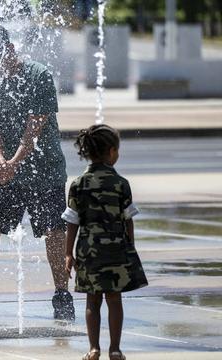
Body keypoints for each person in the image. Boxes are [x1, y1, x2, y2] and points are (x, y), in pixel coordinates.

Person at [0, 23, 75, 321]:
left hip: (45, 170)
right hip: (3, 170)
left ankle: (62, 295)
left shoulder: (39, 75)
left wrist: (15, 161)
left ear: (9, 49)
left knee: (53, 232)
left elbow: (36, 125)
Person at [63, 124, 148, 360]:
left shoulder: (78, 184)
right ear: (111, 152)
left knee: (93, 300)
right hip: (117, 250)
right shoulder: (121, 183)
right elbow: (128, 220)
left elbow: (72, 221)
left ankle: (93, 348)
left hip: (88, 250)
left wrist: (68, 253)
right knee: (114, 299)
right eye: (117, 151)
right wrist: (130, 247)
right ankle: (115, 348)